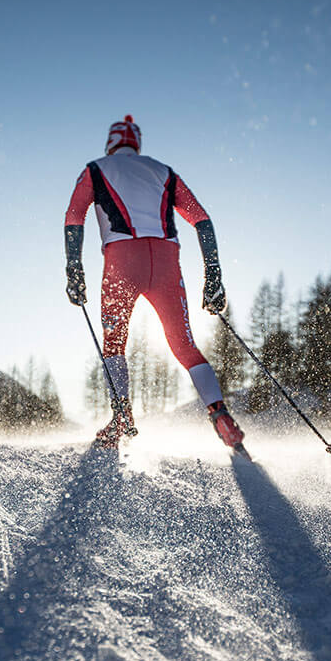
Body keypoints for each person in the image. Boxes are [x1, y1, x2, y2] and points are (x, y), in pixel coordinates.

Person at [64, 115, 245, 450]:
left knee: (114, 343)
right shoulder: (164, 171)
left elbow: (74, 216)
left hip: (122, 260)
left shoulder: (95, 168)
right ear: (137, 142)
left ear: (111, 142)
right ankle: (220, 414)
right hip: (165, 262)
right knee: (184, 345)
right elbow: (202, 220)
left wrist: (73, 267)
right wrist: (213, 275)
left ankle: (122, 419)